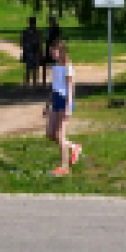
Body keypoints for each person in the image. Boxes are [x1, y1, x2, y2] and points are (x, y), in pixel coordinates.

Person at [42, 38, 82, 176]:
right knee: (50, 134)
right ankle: (74, 147)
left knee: (59, 134)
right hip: (56, 100)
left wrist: (68, 107)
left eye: (54, 50)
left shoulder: (68, 67)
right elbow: (54, 88)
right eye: (51, 50)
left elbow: (70, 89)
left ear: (62, 51)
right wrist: (47, 105)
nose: (52, 53)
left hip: (65, 101)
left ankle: (64, 167)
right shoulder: (54, 67)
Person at [21, 16, 44, 88]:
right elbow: (22, 42)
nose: (32, 24)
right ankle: (29, 84)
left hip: (33, 52)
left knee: (33, 69)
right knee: (30, 69)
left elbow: (22, 42)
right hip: (31, 52)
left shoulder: (33, 32)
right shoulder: (35, 32)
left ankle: (32, 84)